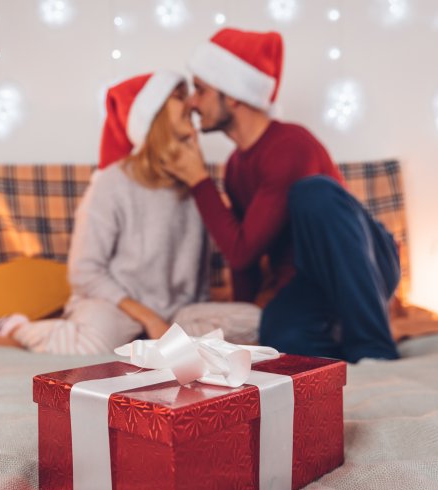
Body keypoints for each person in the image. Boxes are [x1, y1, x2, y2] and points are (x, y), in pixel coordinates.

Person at [163, 29, 401, 363]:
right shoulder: (235, 166)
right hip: (309, 282)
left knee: (312, 192)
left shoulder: (291, 145)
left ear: (232, 95)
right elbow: (243, 254)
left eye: (200, 90)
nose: (192, 102)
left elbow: (242, 251)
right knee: (280, 336)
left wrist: (199, 180)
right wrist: (245, 316)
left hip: (365, 261)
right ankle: (338, 340)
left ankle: (375, 349)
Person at [0, 72, 216, 354]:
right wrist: (149, 318)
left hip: (175, 312)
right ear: (154, 115)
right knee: (96, 343)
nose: (191, 102)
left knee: (245, 326)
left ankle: (141, 343)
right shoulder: (112, 182)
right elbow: (85, 273)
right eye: (178, 97)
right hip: (115, 306)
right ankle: (16, 329)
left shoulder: (198, 185)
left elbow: (199, 275)